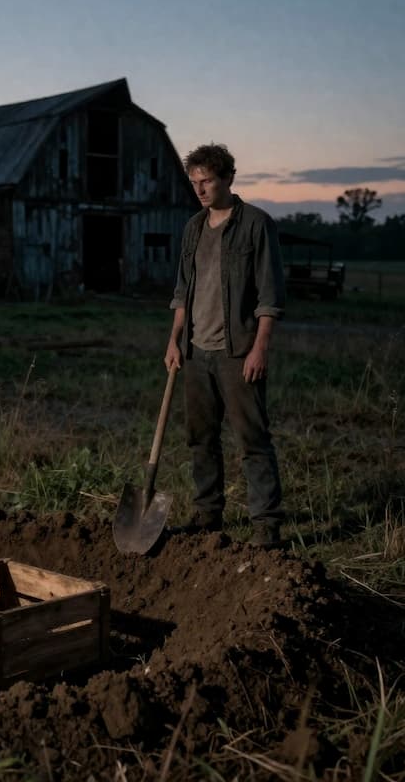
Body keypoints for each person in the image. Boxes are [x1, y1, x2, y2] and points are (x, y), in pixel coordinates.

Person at [164, 143, 286, 547]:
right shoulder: (193, 228)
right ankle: (207, 516)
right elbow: (183, 292)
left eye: (208, 181)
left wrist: (260, 348)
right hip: (196, 354)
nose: (200, 189)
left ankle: (266, 526)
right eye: (194, 182)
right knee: (200, 438)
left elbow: (269, 295)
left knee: (252, 439)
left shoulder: (256, 224)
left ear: (228, 178)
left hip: (238, 353)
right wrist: (174, 341)